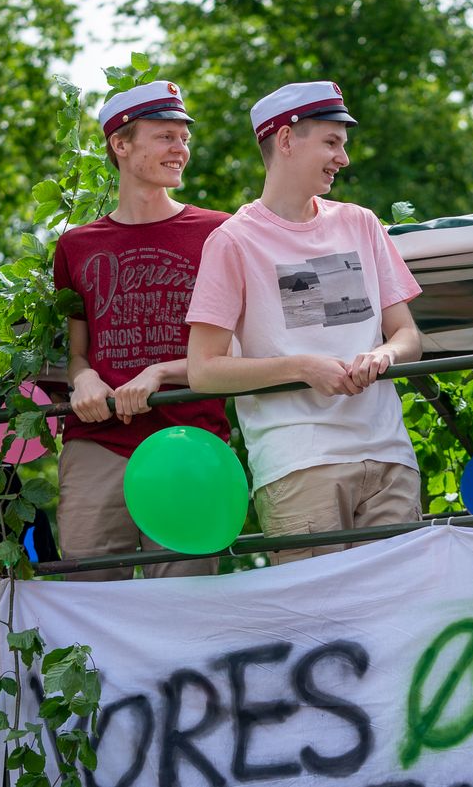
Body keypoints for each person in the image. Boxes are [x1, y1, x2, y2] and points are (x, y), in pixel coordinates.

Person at [186, 81, 423, 565]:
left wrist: (384, 353)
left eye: (343, 145)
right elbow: (203, 370)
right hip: (299, 463)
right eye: (331, 143)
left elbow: (407, 335)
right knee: (322, 611)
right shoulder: (232, 241)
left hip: (390, 457)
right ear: (286, 139)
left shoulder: (363, 223)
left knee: (401, 601)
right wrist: (302, 368)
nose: (343, 159)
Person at [52, 80, 232, 581]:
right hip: (98, 441)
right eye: (166, 137)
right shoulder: (75, 247)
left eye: (184, 138)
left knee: (183, 604)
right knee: (89, 599)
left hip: (190, 437)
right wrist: (84, 378)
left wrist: (158, 373)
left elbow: (237, 347)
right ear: (121, 144)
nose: (181, 149)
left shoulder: (220, 232)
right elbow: (79, 352)